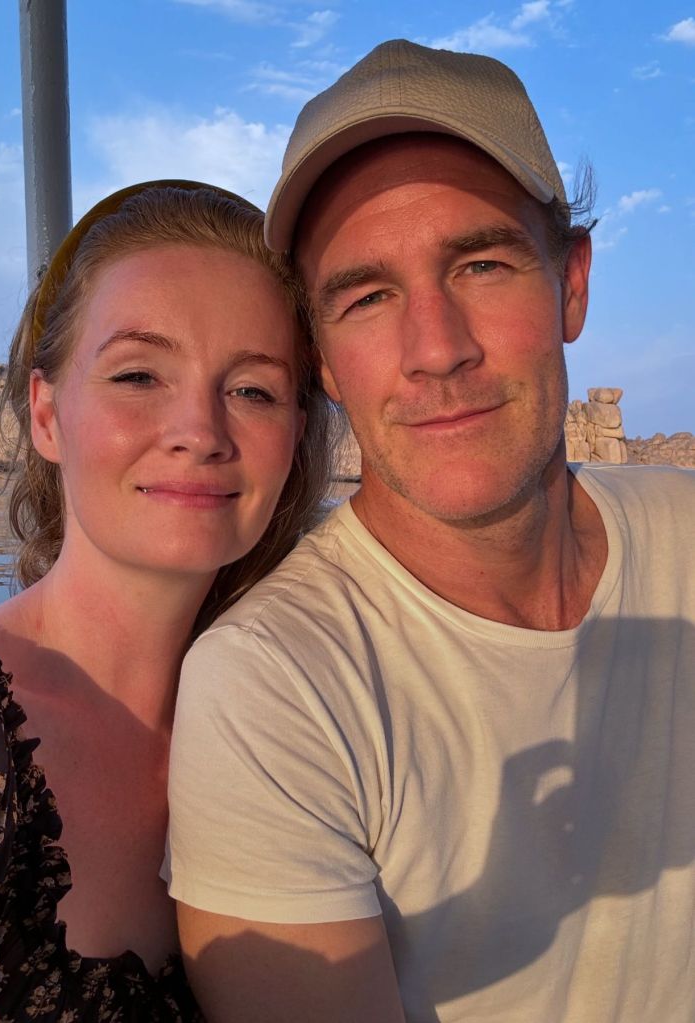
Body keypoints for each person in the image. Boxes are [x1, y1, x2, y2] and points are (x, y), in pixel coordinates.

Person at [166, 40, 695, 1023]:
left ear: (571, 286)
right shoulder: (276, 688)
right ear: (324, 361)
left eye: (482, 264)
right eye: (367, 297)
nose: (437, 350)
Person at [0, 180, 334, 1021]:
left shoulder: (306, 735)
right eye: (138, 374)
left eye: (253, 390)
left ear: (295, 435)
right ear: (47, 414)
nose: (200, 430)